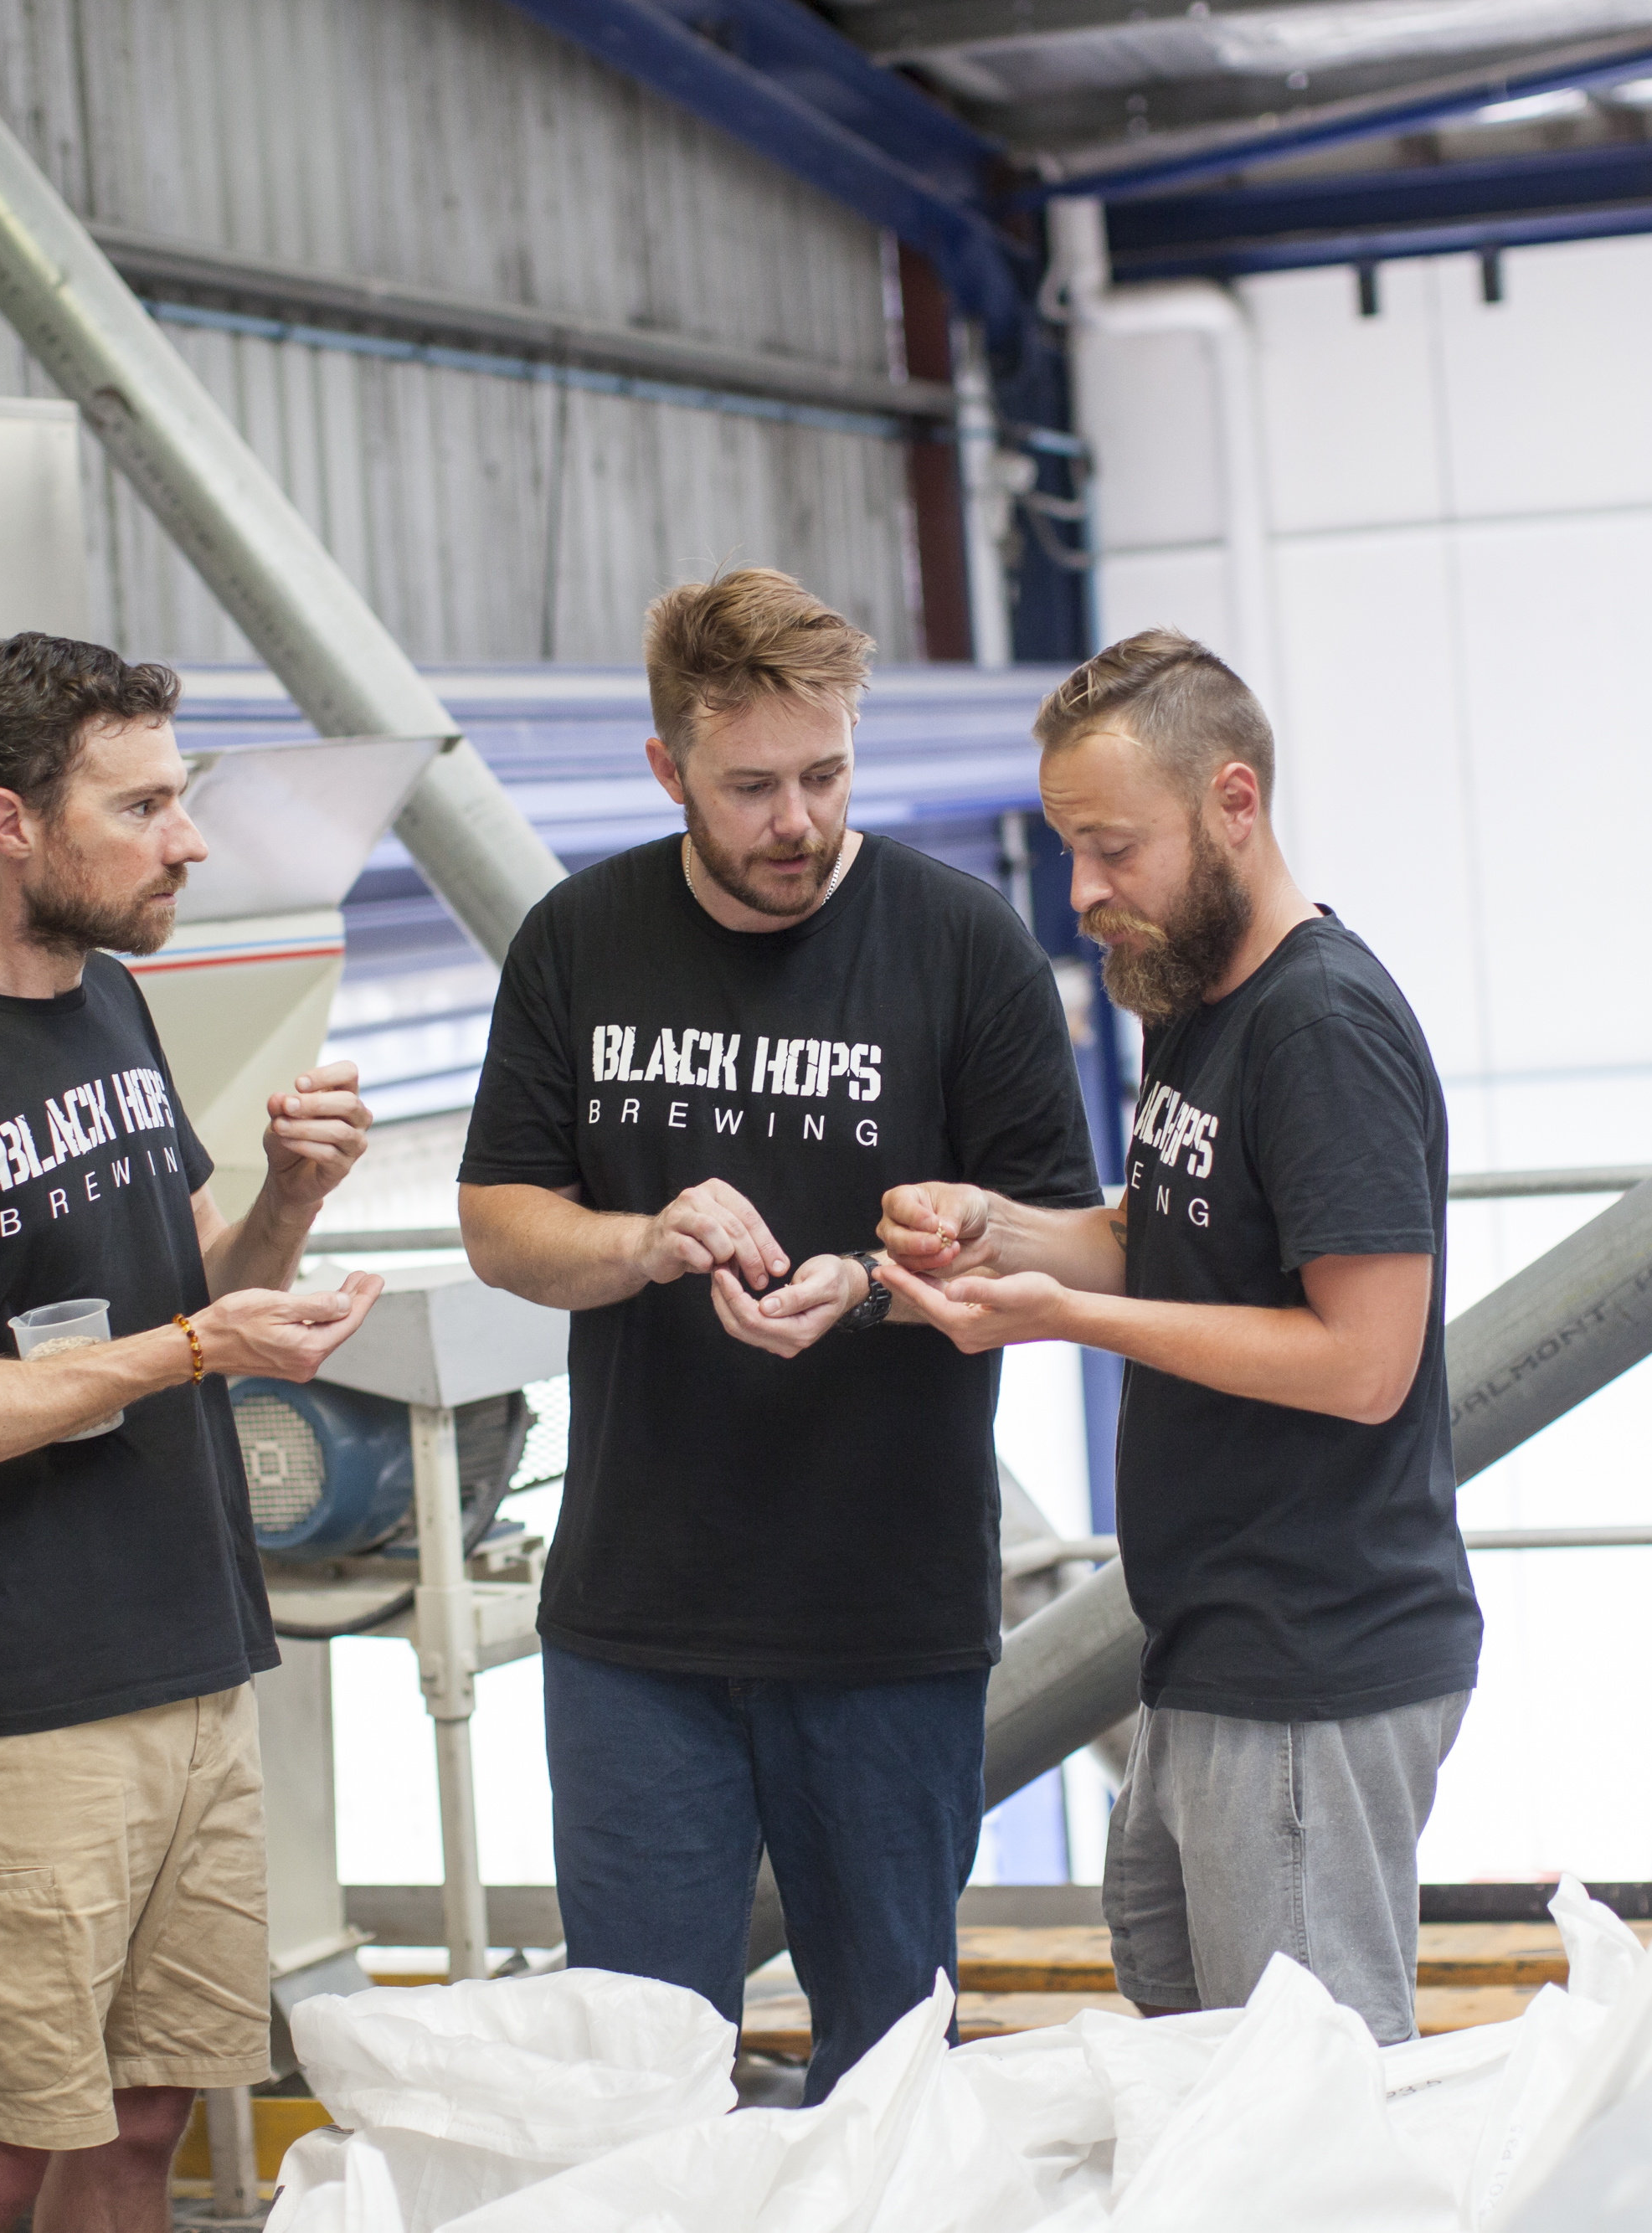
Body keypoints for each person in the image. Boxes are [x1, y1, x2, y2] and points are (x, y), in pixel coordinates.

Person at [456, 569, 1103, 2101]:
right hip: (637, 1630)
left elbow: (1067, 1245)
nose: (797, 822)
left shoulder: (963, 946)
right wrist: (640, 1241)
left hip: (887, 1625)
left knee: (890, 2075)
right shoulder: (578, 941)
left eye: (827, 775)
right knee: (639, 2080)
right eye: (751, 788)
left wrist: (878, 1279)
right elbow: (499, 1221)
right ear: (667, 769)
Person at [0, 633, 383, 2233]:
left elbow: (197, 1292)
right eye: (141, 808)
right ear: (11, 823)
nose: (186, 841)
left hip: (188, 1663)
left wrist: (289, 1201)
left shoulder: (111, 1000)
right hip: (19, 1709)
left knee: (138, 2127)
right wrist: (186, 1349)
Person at [875, 627, 1479, 2047]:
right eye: (1067, 850)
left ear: (1233, 803)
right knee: (1172, 1988)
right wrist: (998, 1229)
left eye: (1114, 849)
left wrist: (1066, 1319)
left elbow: (1364, 1363)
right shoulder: (1194, 995)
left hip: (1313, 1657)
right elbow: (1168, 1238)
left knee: (1298, 2091)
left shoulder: (1320, 1028)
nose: (1082, 892)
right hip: (1212, 1642)